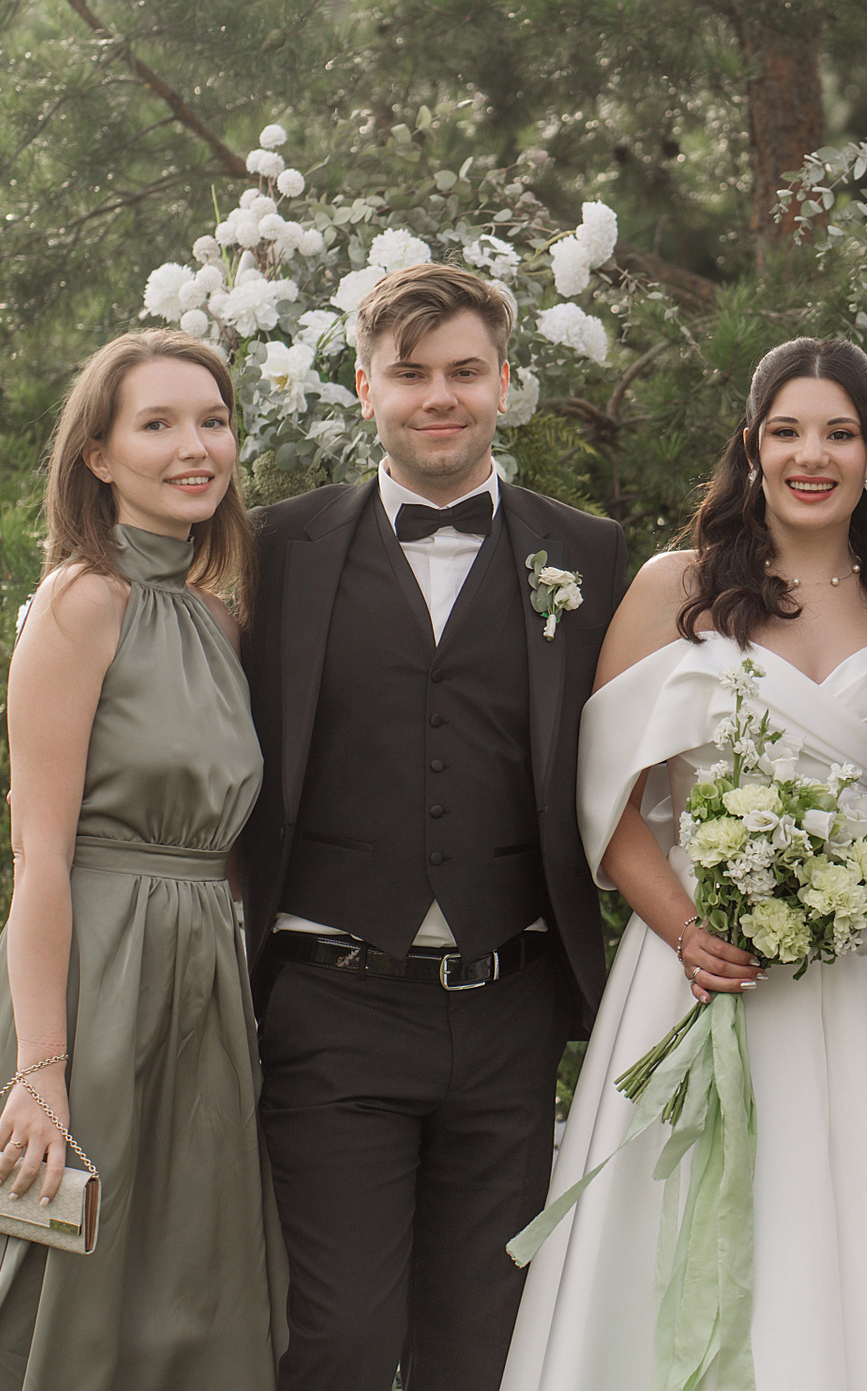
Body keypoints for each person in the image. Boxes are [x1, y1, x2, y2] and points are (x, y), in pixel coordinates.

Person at [502, 338, 867, 1391]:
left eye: (839, 433)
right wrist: (686, 930)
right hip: (699, 961)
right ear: (752, 445)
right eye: (788, 431)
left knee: (856, 1226)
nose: (813, 455)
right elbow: (606, 796)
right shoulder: (677, 586)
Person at [237, 262, 630, 1391]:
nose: (439, 396)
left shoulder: (590, 555)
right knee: (340, 1341)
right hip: (331, 1004)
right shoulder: (275, 550)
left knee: (485, 1349)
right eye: (411, 374)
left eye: (465, 371)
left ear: (506, 382)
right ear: (366, 388)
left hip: (510, 1010)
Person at [0, 330, 287, 1390]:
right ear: (99, 454)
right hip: (92, 979)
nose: (194, 447)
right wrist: (41, 1068)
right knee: (61, 1275)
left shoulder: (220, 622)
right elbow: (37, 854)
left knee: (184, 1283)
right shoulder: (80, 602)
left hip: (202, 985)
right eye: (157, 424)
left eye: (212, 421)